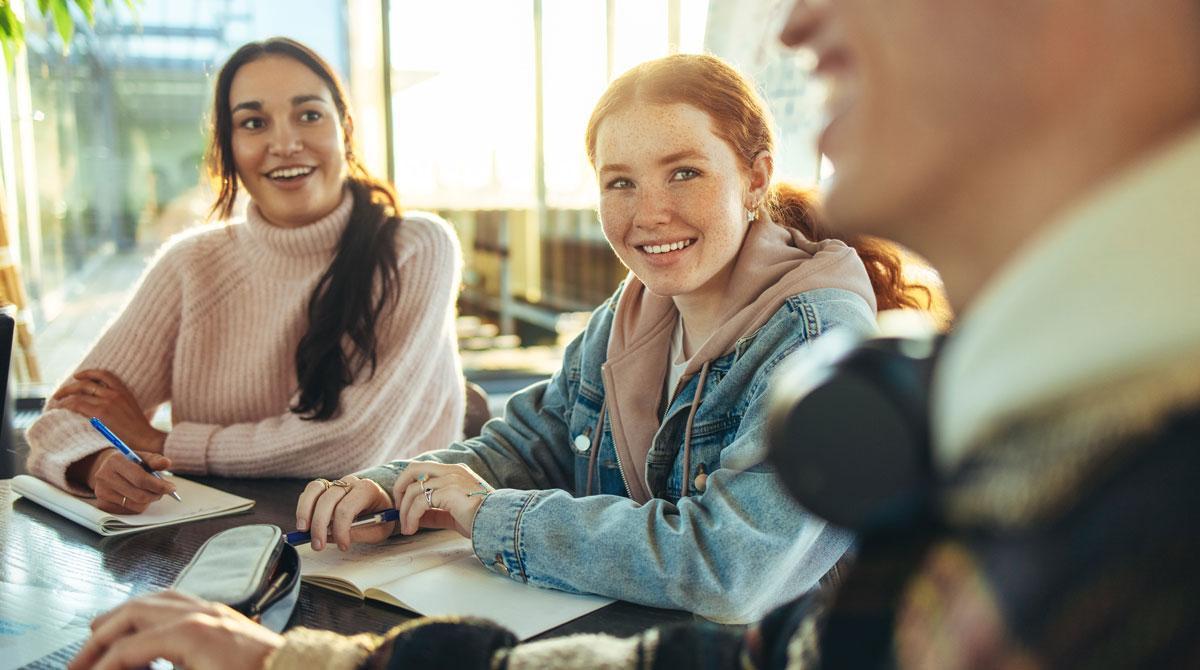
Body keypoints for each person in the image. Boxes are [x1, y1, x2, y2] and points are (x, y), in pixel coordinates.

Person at [67, 0, 1200, 667]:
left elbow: (725, 578)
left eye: (682, 174)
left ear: (756, 181)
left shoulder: (1128, 504)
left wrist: (488, 514)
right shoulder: (636, 312)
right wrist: (423, 481)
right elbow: (543, 432)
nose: (802, 22)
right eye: (618, 181)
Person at [26, 37, 465, 514]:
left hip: (389, 554)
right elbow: (60, 421)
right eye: (254, 123)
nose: (284, 143)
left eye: (309, 115)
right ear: (228, 149)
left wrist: (160, 440)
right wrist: (97, 462)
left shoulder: (418, 248)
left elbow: (354, 445)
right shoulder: (191, 265)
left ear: (346, 128)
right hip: (217, 542)